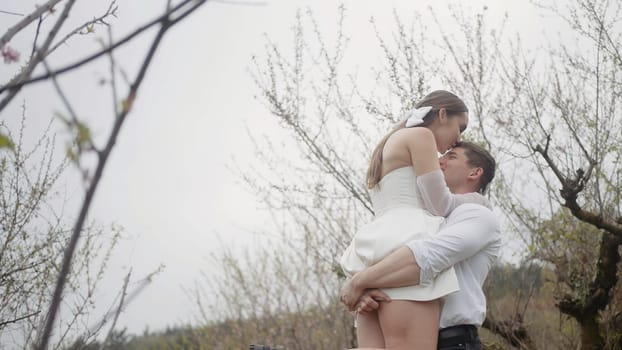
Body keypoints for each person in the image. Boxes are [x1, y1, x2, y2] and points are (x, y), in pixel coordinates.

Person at [339, 90, 489, 349]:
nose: (458, 138)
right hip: (407, 244)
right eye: (459, 127)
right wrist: (476, 200)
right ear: (442, 114)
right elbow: (438, 204)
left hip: (376, 252)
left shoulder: (388, 145)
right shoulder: (421, 136)